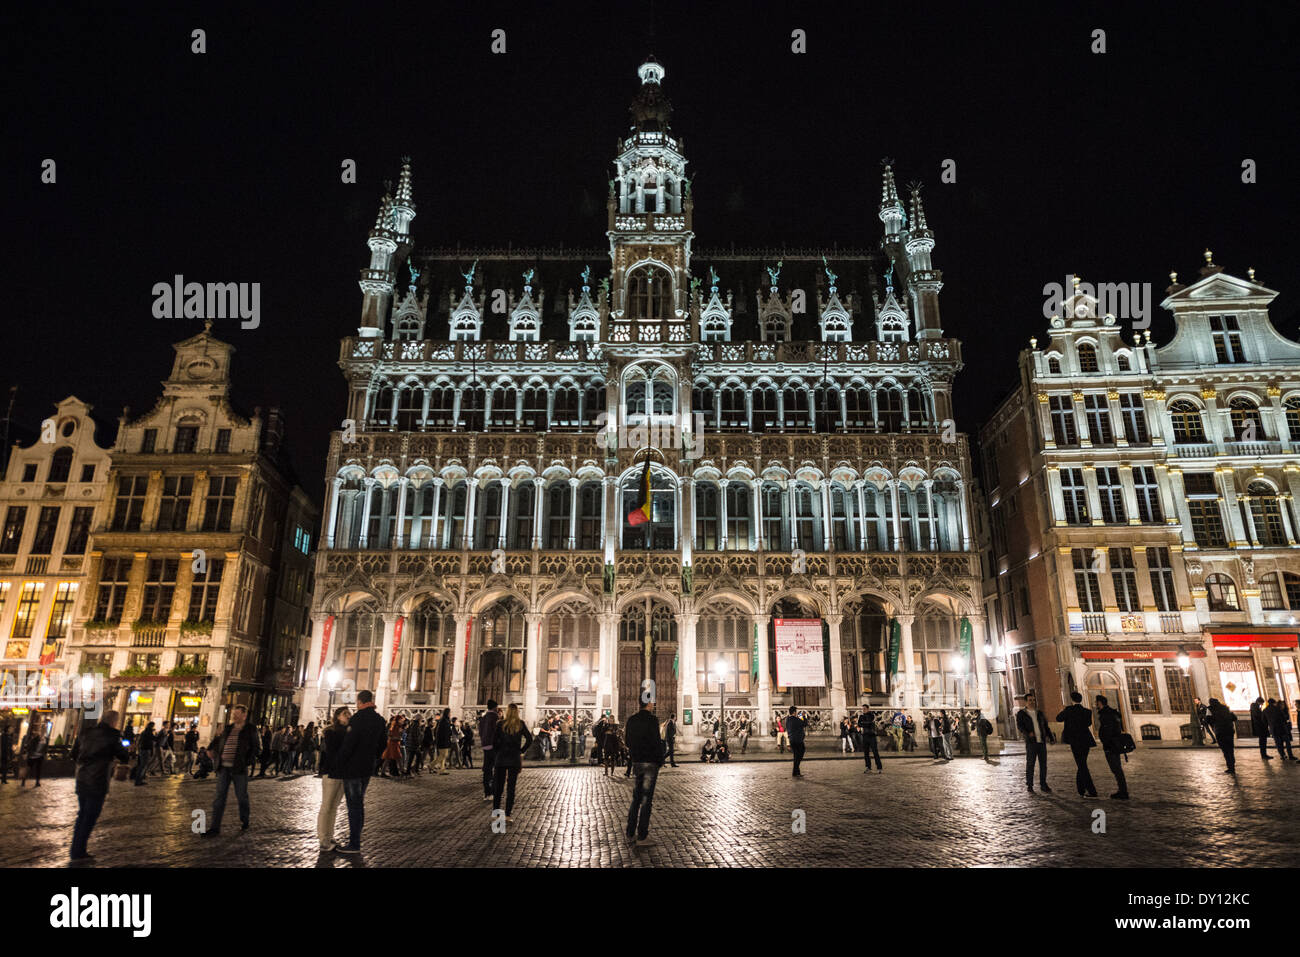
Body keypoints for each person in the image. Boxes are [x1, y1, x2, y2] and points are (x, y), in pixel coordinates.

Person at [69, 710, 131, 863]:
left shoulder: (85, 733)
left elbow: (74, 754)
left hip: (82, 778)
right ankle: (79, 851)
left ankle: (76, 849)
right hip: (98, 779)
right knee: (90, 816)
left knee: (82, 814)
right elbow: (123, 756)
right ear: (114, 722)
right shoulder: (112, 735)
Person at [332, 690, 387, 855]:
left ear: (359, 702)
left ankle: (354, 843)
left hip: (353, 768)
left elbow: (349, 744)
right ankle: (356, 839)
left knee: (354, 806)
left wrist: (338, 764)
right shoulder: (379, 719)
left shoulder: (357, 719)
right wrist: (374, 758)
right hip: (367, 767)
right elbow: (383, 743)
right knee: (359, 804)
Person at [202, 705, 260, 836]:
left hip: (239, 768)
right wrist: (210, 749)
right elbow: (218, 741)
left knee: (241, 797)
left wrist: (247, 762)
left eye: (237, 714)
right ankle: (214, 828)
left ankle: (244, 820)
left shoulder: (250, 729)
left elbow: (256, 747)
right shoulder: (228, 728)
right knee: (219, 798)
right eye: (234, 714)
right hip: (224, 768)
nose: (234, 716)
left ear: (244, 715)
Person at [625, 696, 664, 848]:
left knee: (636, 798)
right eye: (653, 701)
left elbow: (628, 741)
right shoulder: (653, 720)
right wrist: (660, 760)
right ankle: (642, 836)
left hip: (637, 762)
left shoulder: (632, 720)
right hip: (650, 762)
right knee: (646, 800)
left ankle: (630, 832)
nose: (654, 703)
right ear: (648, 703)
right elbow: (656, 742)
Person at [491, 704, 534, 821]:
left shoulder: (500, 724)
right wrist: (521, 751)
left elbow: (494, 741)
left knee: (498, 788)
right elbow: (529, 739)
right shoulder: (520, 724)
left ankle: (496, 814)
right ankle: (508, 814)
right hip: (514, 758)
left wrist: (498, 751)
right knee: (511, 788)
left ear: (507, 711)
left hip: (501, 758)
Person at [316, 707, 350, 850]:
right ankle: (323, 839)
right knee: (327, 805)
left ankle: (329, 836)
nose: (348, 716)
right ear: (337, 716)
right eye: (345, 714)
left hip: (343, 773)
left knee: (334, 807)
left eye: (349, 714)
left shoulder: (348, 731)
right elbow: (333, 751)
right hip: (331, 772)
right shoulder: (331, 731)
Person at [1056, 691, 1098, 798]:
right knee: (1082, 764)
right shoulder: (1087, 711)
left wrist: (1063, 710)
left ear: (1072, 700)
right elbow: (1088, 723)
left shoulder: (1069, 710)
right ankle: (1081, 789)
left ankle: (1092, 791)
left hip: (1075, 741)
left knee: (1082, 765)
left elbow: (1058, 718)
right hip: (1086, 741)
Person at [1015, 692, 1054, 792]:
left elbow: (1045, 726)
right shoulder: (1022, 714)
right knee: (1031, 764)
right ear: (1026, 702)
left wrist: (1050, 737)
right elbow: (1020, 726)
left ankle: (1043, 784)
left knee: (1043, 764)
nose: (1032, 702)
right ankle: (1030, 785)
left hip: (1041, 742)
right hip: (1031, 742)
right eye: (1030, 700)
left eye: (1033, 700)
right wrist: (1028, 734)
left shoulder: (1039, 713)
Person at [1094, 694, 1129, 799]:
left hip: (1111, 745)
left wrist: (1106, 741)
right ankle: (1122, 790)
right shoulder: (1112, 713)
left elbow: (1108, 730)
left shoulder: (1106, 714)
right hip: (1115, 743)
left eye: (1096, 702)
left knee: (1116, 768)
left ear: (1100, 703)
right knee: (1117, 768)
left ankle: (1123, 792)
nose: (1095, 704)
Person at [1208, 697, 1237, 774]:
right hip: (1229, 730)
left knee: (1225, 750)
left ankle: (1230, 767)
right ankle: (1232, 766)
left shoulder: (1210, 709)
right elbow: (1234, 718)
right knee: (1230, 749)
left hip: (1220, 731)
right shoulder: (1225, 707)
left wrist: (1214, 725)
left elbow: (1208, 720)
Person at [478, 701, 499, 800]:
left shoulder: (483, 717)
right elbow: (496, 731)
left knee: (487, 769)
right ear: (495, 707)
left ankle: (487, 793)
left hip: (485, 745)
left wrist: (483, 740)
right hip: (493, 746)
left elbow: (480, 731)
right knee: (497, 769)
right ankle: (493, 792)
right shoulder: (494, 717)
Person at [857, 705, 882, 773]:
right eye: (863, 709)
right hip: (865, 735)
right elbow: (859, 724)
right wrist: (865, 723)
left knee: (875, 752)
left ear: (868, 709)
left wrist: (864, 723)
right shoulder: (861, 716)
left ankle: (879, 767)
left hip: (872, 736)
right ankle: (868, 767)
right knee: (866, 753)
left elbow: (870, 723)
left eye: (865, 709)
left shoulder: (872, 715)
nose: (863, 710)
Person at [786, 706, 806, 777]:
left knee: (796, 756)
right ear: (794, 712)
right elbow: (804, 724)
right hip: (798, 740)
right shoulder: (796, 720)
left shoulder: (788, 719)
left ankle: (796, 772)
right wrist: (803, 716)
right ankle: (795, 771)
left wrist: (800, 716)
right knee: (799, 755)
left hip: (792, 739)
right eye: (796, 712)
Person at [132, 721, 154, 786]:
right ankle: (138, 780)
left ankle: (138, 779)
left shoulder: (144, 732)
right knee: (143, 765)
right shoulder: (148, 732)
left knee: (141, 765)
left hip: (142, 749)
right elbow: (154, 739)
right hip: (145, 750)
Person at [434, 708, 453, 774]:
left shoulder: (444, 720)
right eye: (450, 713)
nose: (450, 714)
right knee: (443, 755)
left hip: (444, 740)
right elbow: (445, 732)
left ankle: (442, 769)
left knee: (443, 755)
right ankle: (431, 765)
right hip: (443, 741)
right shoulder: (444, 721)